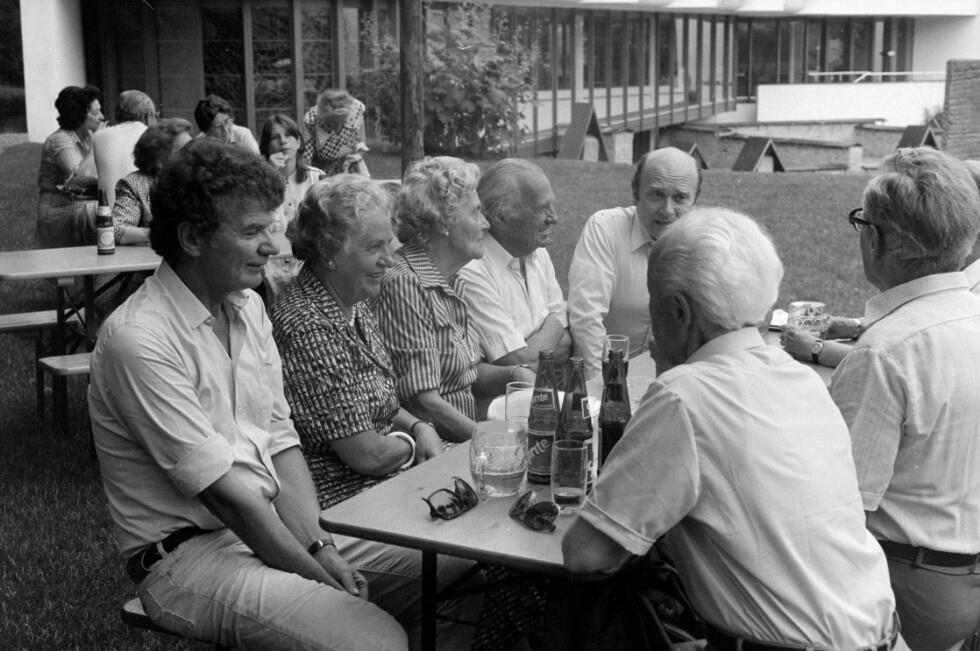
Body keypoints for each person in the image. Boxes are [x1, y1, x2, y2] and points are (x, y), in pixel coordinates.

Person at [88, 139, 407, 650]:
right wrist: (317, 575)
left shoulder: (249, 308)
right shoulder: (139, 339)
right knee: (373, 640)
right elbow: (227, 499)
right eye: (252, 231)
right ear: (193, 237)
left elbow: (280, 441)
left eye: (272, 228)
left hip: (273, 527)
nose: (274, 247)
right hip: (187, 559)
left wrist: (320, 546)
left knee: (455, 563)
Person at [562, 208, 902, 649]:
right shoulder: (798, 376)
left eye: (653, 304)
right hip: (883, 633)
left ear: (679, 311)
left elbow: (586, 555)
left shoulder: (685, 395)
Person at [271, 175, 481, 649]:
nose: (391, 257)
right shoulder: (308, 325)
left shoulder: (354, 301)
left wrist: (419, 425)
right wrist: (416, 442)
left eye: (391, 242)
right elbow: (365, 453)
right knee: (469, 565)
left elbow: (383, 402)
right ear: (330, 251)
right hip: (342, 510)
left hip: (385, 488)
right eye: (375, 247)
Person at [828, 147, 980, 651]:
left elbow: (841, 507)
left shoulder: (885, 351)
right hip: (959, 572)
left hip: (910, 587)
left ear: (875, 240)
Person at [373, 156, 535, 442]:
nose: (486, 224)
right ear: (443, 221)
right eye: (476, 212)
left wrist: (514, 374)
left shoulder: (450, 280)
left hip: (463, 442)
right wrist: (492, 443)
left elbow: (462, 374)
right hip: (434, 451)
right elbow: (423, 402)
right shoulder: (406, 284)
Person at [567, 146, 701, 378]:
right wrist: (606, 388)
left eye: (680, 197)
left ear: (695, 201)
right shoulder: (605, 228)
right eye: (656, 194)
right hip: (606, 374)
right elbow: (586, 319)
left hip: (677, 380)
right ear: (636, 194)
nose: (667, 210)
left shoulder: (707, 244)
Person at [457, 158, 571, 368]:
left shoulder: (536, 251)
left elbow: (564, 333)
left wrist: (533, 348)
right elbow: (519, 362)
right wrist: (552, 336)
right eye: (542, 209)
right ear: (501, 216)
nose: (554, 218)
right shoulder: (472, 270)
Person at [259, 114, 324, 299]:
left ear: (298, 142)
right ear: (266, 146)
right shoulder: (257, 182)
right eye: (275, 137)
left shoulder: (318, 179)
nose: (283, 141)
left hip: (309, 263)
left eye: (288, 135)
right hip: (269, 264)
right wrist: (271, 176)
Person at [35, 85, 103, 248]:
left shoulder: (87, 137)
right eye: (96, 113)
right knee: (107, 213)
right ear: (80, 115)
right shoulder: (60, 140)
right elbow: (81, 177)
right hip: (60, 212)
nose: (102, 117)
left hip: (81, 206)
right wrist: (97, 142)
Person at [112, 117, 193, 245]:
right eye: (185, 150)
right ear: (160, 158)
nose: (193, 155)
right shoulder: (135, 184)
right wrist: (161, 234)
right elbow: (116, 230)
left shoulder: (199, 179)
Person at [93, 90, 156, 206]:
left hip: (108, 211)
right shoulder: (152, 135)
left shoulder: (99, 136)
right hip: (142, 213)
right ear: (147, 115)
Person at [301, 89, 369, 176]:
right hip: (322, 166)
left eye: (343, 122)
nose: (338, 126)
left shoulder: (356, 110)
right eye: (334, 122)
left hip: (350, 163)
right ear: (325, 118)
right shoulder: (311, 120)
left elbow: (361, 143)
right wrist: (311, 176)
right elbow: (306, 158)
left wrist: (358, 156)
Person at [193, 94, 260, 154]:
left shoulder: (243, 137)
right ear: (206, 131)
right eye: (219, 126)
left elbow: (258, 163)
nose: (225, 130)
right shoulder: (198, 145)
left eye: (227, 122)